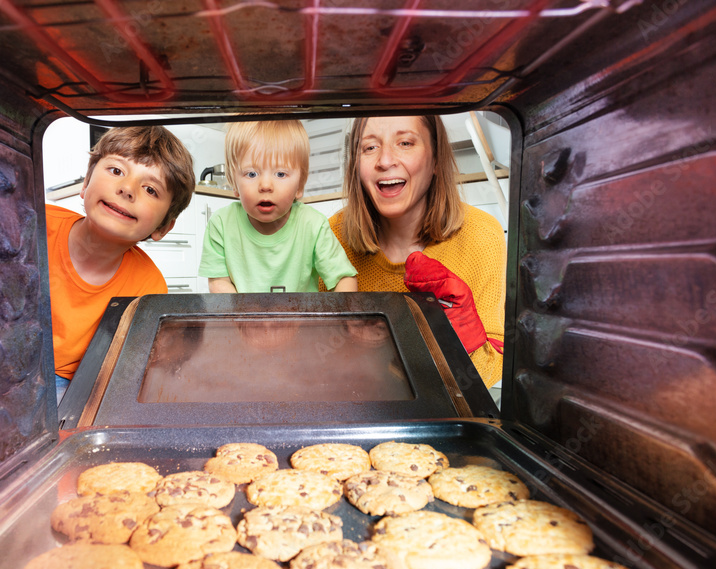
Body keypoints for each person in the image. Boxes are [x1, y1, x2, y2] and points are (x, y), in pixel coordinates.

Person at [328, 115, 506, 388]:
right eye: (370, 147)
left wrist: (461, 346)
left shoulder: (481, 234)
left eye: (405, 143)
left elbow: (495, 368)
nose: (385, 160)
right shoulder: (332, 236)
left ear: (435, 159)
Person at [46, 125, 195, 403]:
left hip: (73, 387)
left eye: (150, 189)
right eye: (116, 171)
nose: (127, 188)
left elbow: (126, 370)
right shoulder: (34, 223)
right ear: (85, 183)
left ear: (163, 227)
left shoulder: (149, 286)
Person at [198, 119, 357, 293]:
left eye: (280, 174)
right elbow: (218, 282)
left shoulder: (314, 224)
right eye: (251, 173)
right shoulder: (220, 224)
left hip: (301, 320)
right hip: (243, 320)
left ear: (300, 185)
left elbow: (344, 278)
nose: (265, 185)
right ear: (233, 183)